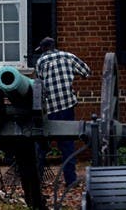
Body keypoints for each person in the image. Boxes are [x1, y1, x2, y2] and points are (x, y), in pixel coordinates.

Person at [34, 36, 91, 186]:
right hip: (67, 106)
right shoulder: (68, 56)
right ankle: (71, 180)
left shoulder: (40, 61)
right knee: (67, 144)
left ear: (43, 49)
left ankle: (37, 180)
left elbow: (38, 85)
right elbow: (86, 71)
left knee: (42, 145)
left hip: (49, 108)